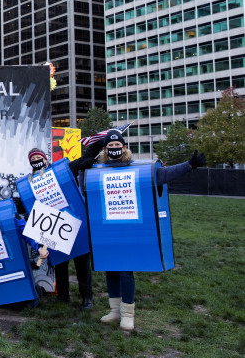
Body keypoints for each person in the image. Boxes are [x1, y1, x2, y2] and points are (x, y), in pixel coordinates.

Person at [96, 130, 206, 331]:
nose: (114, 149)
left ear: (124, 147)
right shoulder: (97, 171)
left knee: (125, 270)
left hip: (130, 228)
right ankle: (114, 310)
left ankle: (127, 313)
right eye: (110, 146)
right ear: (104, 149)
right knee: (110, 268)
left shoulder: (138, 168)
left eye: (117, 145)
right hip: (107, 228)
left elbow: (163, 175)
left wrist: (189, 165)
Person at [26, 142, 102, 310]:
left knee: (82, 264)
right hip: (53, 228)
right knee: (60, 265)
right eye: (34, 159)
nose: (37, 160)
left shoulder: (62, 171)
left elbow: (84, 159)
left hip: (75, 224)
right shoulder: (30, 183)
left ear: (46, 159)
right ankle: (63, 296)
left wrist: (99, 142)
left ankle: (87, 297)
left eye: (39, 157)